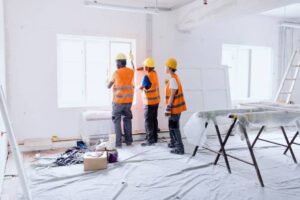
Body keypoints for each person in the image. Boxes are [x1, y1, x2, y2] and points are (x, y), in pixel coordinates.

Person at [107, 53, 134, 148]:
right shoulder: (131, 71)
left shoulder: (116, 73)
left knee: (117, 121)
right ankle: (129, 141)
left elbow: (108, 86)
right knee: (127, 120)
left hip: (118, 102)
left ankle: (118, 143)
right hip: (128, 102)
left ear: (119, 62)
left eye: (116, 62)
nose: (115, 64)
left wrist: (107, 80)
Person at [164, 58, 187, 154]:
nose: (164, 68)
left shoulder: (173, 79)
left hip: (175, 108)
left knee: (174, 127)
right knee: (171, 126)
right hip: (176, 108)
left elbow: (172, 95)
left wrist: (168, 108)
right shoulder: (174, 77)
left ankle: (180, 148)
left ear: (169, 68)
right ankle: (173, 142)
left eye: (165, 66)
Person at [139, 58, 160, 146]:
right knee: (154, 120)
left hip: (149, 103)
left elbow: (142, 87)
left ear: (147, 67)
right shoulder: (154, 73)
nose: (143, 67)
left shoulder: (146, 76)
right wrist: (141, 68)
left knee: (148, 121)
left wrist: (138, 87)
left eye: (144, 66)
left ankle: (149, 140)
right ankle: (154, 138)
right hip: (156, 101)